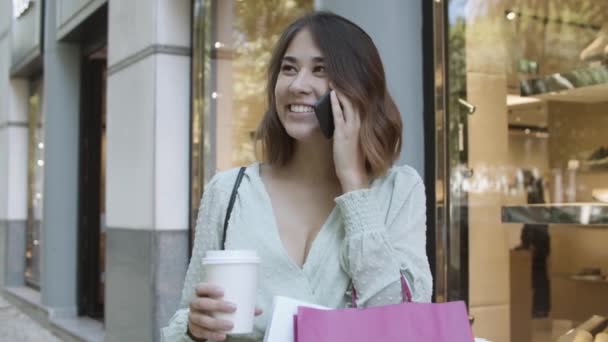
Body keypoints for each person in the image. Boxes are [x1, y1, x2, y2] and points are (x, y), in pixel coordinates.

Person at [162, 11, 433, 342]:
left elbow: (403, 321)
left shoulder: (399, 190)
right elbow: (185, 321)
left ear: (358, 85)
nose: (297, 84)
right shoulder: (229, 192)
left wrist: (353, 183)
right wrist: (195, 328)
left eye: (321, 70)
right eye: (288, 69)